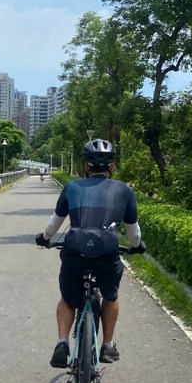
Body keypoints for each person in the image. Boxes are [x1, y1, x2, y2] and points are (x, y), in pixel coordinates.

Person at [35, 138, 145, 368]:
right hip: (107, 253)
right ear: (112, 166)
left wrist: (44, 238)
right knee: (111, 296)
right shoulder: (125, 190)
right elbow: (133, 232)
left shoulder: (73, 187)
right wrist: (137, 246)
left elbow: (55, 223)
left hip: (75, 252)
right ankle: (108, 345)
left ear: (85, 165)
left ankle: (62, 343)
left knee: (68, 299)